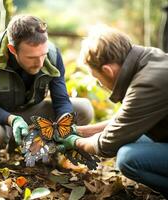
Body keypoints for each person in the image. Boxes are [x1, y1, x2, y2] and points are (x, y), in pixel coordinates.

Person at [55, 25, 168, 198]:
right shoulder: (150, 60)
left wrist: (74, 141)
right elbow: (127, 121)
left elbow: (107, 144)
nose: (100, 84)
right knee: (133, 140)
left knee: (128, 158)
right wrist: (80, 131)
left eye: (98, 79)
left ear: (108, 70)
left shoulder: (147, 84)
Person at [0, 14, 94, 164]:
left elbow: (61, 100)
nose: (40, 63)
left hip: (34, 112)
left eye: (43, 55)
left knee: (84, 108)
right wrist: (13, 120)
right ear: (12, 49)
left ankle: (49, 152)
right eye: (31, 58)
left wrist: (64, 127)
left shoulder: (53, 54)